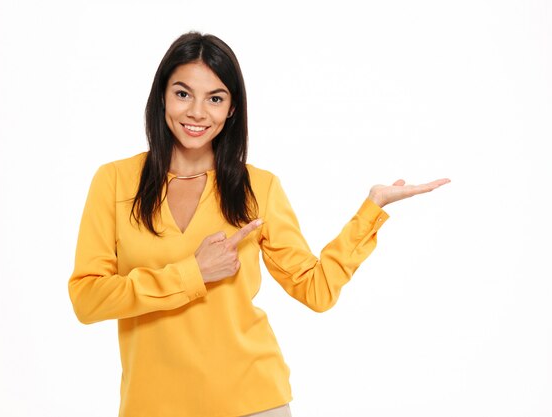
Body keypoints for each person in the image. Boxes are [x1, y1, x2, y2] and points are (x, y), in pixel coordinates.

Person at [68, 31, 450, 417]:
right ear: (162, 96)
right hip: (153, 405)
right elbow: (87, 299)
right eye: (183, 94)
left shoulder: (258, 188)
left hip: (252, 401)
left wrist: (372, 209)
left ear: (231, 109)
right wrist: (192, 273)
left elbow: (315, 290)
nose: (197, 112)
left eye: (215, 98)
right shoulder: (115, 182)